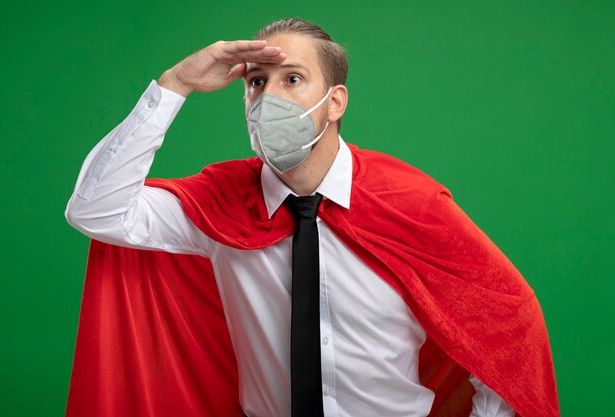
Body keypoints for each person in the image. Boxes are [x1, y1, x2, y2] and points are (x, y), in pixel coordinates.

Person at [64, 18, 559, 417]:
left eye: (292, 79)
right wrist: (175, 86)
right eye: (257, 82)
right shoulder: (219, 206)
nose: (270, 97)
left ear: (335, 101)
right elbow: (97, 210)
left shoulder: (411, 203)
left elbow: (506, 323)